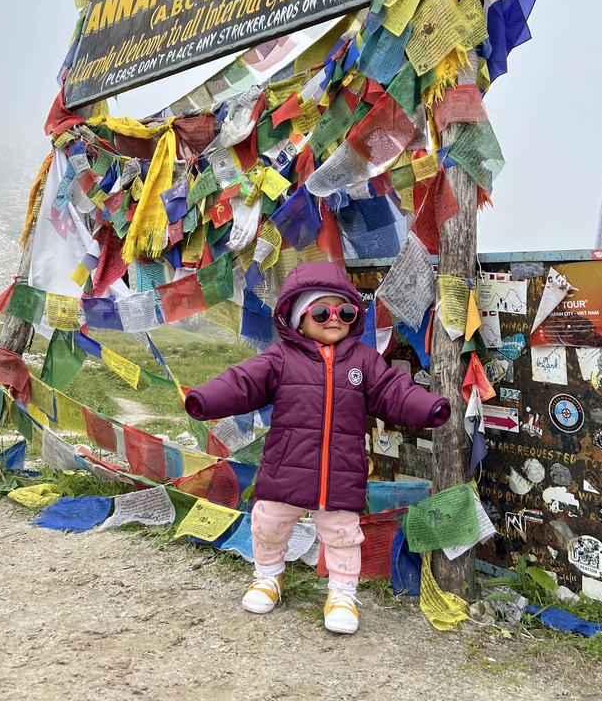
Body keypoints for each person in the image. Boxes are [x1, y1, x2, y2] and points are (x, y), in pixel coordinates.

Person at [184, 261, 451, 635]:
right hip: (285, 468)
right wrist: (206, 400)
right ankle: (268, 577)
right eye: (322, 311)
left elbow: (394, 391)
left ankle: (342, 594)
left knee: (343, 536)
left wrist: (428, 407)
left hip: (340, 473)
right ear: (297, 319)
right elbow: (242, 382)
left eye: (345, 311)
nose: (334, 319)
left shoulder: (364, 361)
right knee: (268, 525)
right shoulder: (280, 360)